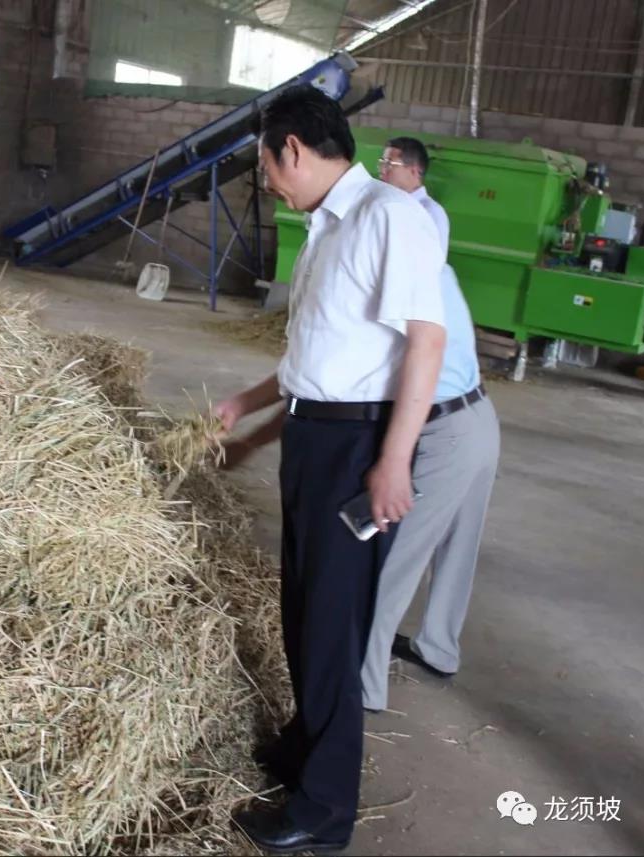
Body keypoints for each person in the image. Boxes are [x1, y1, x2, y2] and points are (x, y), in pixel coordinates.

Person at [216, 86, 446, 853]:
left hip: (357, 449)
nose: (269, 180)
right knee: (304, 605)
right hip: (314, 437)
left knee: (333, 627)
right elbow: (317, 358)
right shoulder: (324, 228)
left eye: (266, 164)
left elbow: (426, 343)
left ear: (292, 149)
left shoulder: (390, 216)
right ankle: (304, 746)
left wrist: (392, 462)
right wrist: (245, 406)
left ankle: (323, 809)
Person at [361, 137, 501, 710]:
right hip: (480, 418)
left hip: (446, 431)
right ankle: (439, 647)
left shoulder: (409, 264)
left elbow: (401, 363)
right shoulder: (430, 254)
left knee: (395, 562)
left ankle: (363, 688)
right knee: (457, 545)